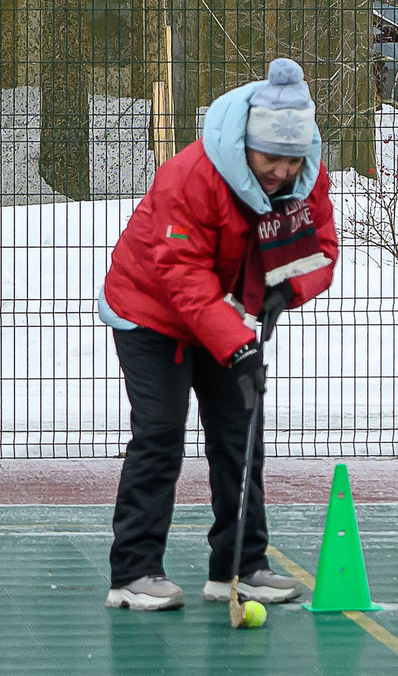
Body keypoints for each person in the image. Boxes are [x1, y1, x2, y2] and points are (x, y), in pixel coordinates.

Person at [98, 58, 338, 611]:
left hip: (226, 311)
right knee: (159, 433)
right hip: (152, 309)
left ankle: (240, 566)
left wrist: (281, 295)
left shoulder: (306, 176)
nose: (279, 171)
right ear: (247, 144)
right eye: (269, 157)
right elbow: (181, 273)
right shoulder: (193, 175)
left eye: (290, 158)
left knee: (240, 432)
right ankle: (133, 572)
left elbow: (320, 249)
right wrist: (240, 343)